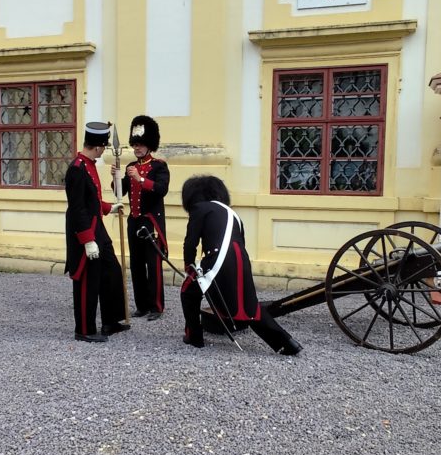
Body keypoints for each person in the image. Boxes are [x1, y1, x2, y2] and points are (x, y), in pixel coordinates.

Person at [179, 175, 303, 355]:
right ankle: (287, 343)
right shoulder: (233, 214)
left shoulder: (200, 208)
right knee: (249, 305)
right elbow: (241, 241)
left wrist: (189, 265)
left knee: (188, 291)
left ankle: (194, 336)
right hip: (240, 260)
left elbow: (190, 243)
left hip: (218, 258)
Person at [64, 121, 129, 342]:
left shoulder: (88, 165)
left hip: (96, 227)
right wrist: (87, 240)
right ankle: (84, 329)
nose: (104, 151)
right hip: (85, 231)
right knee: (87, 280)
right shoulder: (77, 169)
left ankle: (110, 321)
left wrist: (110, 207)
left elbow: (91, 201)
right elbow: (77, 208)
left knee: (111, 272)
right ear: (99, 146)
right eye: (104, 147)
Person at [112, 115, 170, 321]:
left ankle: (156, 306)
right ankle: (142, 305)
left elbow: (161, 189)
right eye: (135, 144)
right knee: (136, 264)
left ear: (149, 145)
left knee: (153, 265)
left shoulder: (159, 166)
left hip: (150, 222)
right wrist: (115, 177)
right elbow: (120, 192)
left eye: (141, 144)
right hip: (134, 220)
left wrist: (140, 179)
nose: (137, 148)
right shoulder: (130, 166)